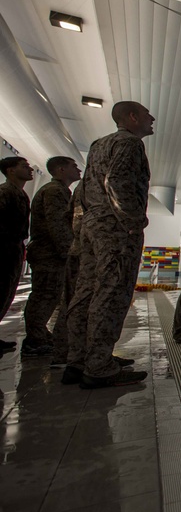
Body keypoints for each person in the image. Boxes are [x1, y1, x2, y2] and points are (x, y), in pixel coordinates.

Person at [63, 101, 153, 388]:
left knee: (86, 290)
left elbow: (85, 188)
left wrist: (87, 221)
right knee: (112, 291)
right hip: (114, 227)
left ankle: (78, 360)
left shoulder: (99, 144)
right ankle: (99, 366)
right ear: (132, 117)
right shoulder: (130, 143)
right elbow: (116, 181)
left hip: (92, 223)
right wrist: (133, 220)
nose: (152, 118)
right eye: (147, 114)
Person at [22, 157, 81, 357]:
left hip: (51, 253)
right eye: (73, 166)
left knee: (49, 295)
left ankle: (38, 335)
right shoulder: (54, 191)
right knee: (45, 295)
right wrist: (68, 252)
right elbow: (58, 225)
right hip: (50, 254)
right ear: (61, 169)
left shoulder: (60, 190)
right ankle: (34, 340)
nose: (78, 169)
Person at [0, 156, 34, 353]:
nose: (30, 169)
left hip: (13, 248)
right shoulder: (5, 192)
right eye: (24, 166)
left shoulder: (20, 194)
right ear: (11, 170)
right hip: (3, 248)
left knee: (6, 293)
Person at [49, 183, 84, 368]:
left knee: (75, 301)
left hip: (82, 248)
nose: (77, 169)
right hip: (88, 251)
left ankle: (73, 353)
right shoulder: (54, 190)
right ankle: (76, 355)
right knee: (80, 302)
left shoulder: (83, 185)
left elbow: (67, 216)